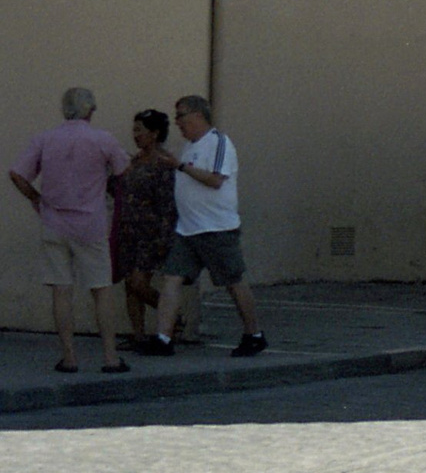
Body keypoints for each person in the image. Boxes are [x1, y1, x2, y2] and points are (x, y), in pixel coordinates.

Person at [11, 87, 130, 373]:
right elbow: (123, 169)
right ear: (90, 109)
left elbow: (17, 174)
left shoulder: (45, 138)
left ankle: (69, 357)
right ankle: (110, 357)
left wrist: (36, 199)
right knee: (101, 289)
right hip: (91, 224)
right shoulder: (102, 139)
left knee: (61, 291)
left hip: (54, 222)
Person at [138, 95, 264, 358]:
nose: (178, 122)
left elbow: (216, 180)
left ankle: (254, 334)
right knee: (172, 277)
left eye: (181, 116)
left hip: (216, 228)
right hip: (188, 229)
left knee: (233, 281)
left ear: (197, 115)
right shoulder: (189, 146)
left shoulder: (218, 143)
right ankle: (163, 338)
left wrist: (181, 167)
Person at [112, 110, 180, 351]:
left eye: (140, 130)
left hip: (150, 234)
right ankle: (137, 334)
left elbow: (168, 204)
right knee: (129, 285)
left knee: (139, 283)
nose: (135, 135)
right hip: (128, 231)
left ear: (155, 133)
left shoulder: (164, 163)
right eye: (134, 130)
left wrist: (164, 237)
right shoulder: (134, 161)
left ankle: (173, 318)